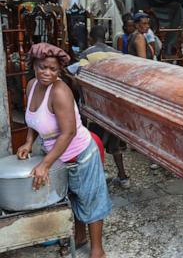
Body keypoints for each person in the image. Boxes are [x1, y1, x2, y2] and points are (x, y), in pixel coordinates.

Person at [17, 43, 111, 258]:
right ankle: (79, 237)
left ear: (59, 71)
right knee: (71, 197)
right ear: (34, 66)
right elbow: (32, 119)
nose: (47, 73)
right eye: (42, 67)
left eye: (53, 69)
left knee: (90, 200)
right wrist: (28, 142)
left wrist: (45, 164)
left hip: (80, 154)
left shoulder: (60, 91)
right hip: (57, 156)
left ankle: (98, 250)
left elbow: (67, 133)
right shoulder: (31, 86)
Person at [82, 25, 131, 188]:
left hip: (97, 106)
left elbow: (80, 78)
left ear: (90, 37)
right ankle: (123, 178)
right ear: (106, 36)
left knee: (97, 142)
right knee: (115, 143)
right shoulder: (117, 54)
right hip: (115, 106)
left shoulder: (86, 54)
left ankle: (98, 175)